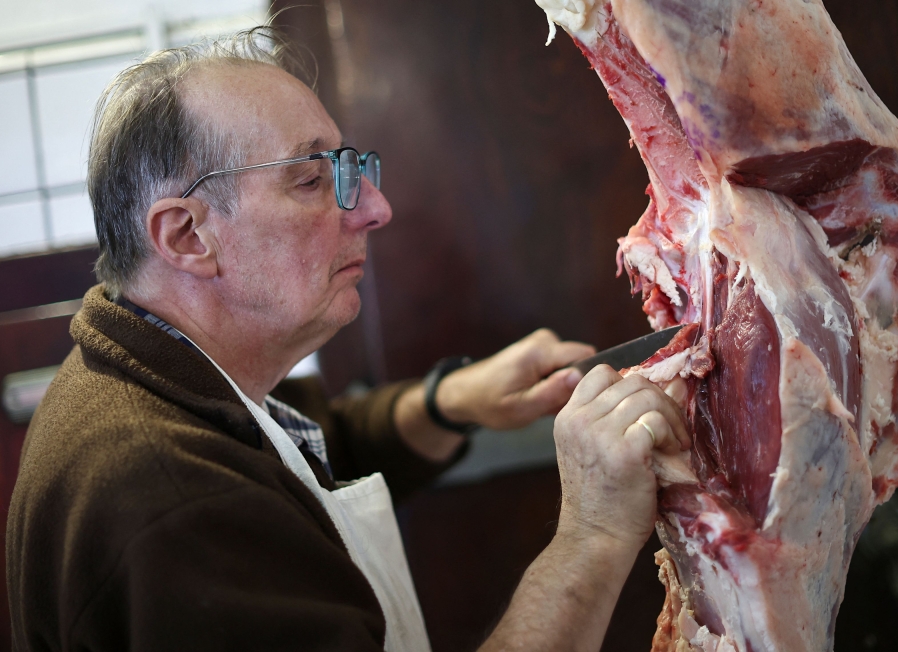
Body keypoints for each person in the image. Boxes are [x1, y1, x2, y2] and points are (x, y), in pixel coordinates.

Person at [6, 28, 689, 652]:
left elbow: (324, 442)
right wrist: (592, 537)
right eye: (310, 178)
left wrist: (451, 401)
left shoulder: (162, 377)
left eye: (351, 166)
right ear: (188, 236)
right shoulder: (171, 494)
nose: (374, 208)